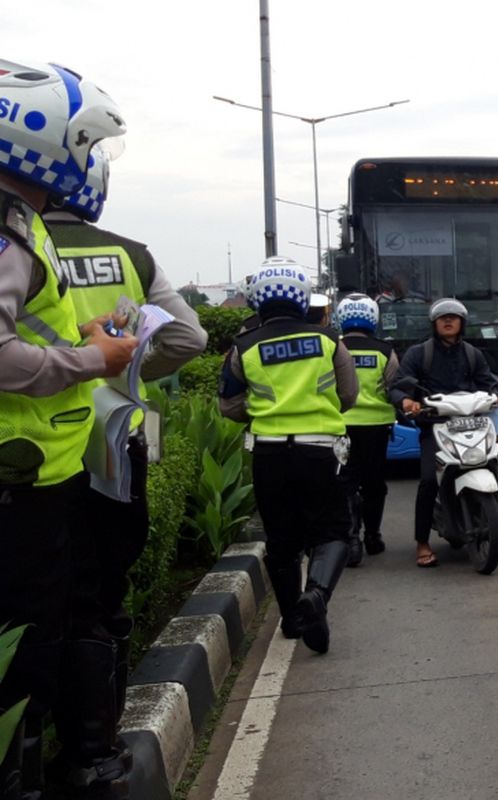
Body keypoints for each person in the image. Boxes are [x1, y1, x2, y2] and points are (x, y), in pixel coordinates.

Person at [44, 146, 207, 769]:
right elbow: (188, 337)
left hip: (28, 449)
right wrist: (128, 378)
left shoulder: (16, 248)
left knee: (31, 604)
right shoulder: (129, 254)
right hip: (115, 443)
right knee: (102, 596)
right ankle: (95, 749)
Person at [0, 59, 135, 799]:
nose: (89, 162)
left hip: (34, 474)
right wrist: (93, 357)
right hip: (20, 484)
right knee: (27, 648)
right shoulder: (7, 225)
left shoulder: (25, 223)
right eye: (85, 144)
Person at [219, 258, 358, 655]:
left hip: (269, 454)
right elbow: (349, 395)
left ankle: (294, 619)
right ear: (301, 297)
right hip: (321, 452)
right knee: (332, 531)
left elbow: (228, 405)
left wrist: (264, 415)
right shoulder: (329, 340)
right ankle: (315, 596)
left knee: (281, 540)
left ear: (256, 300)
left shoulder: (243, 347)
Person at [392, 298, 498, 567]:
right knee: (428, 480)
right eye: (442, 318)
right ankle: (422, 543)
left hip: (471, 421)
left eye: (453, 317)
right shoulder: (419, 354)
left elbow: (487, 382)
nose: (448, 321)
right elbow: (397, 386)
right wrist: (406, 400)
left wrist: (495, 396)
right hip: (436, 425)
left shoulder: (473, 354)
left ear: (462, 323)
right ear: (434, 323)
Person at [334, 293, 399, 565]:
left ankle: (351, 539)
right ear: (373, 318)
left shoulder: (333, 348)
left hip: (341, 427)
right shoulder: (384, 351)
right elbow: (393, 385)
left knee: (346, 482)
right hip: (376, 428)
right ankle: (373, 535)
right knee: (374, 484)